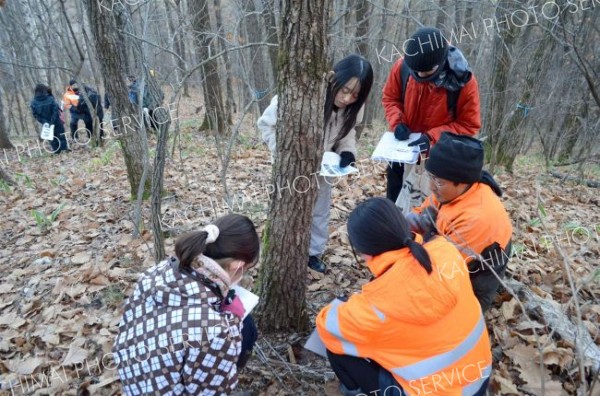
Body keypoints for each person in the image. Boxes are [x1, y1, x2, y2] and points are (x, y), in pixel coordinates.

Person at [316, 197, 492, 396]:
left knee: (338, 349)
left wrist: (348, 304)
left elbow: (326, 327)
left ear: (364, 252)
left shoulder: (376, 310)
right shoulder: (446, 251)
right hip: (479, 379)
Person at [113, 214, 260, 395]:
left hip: (134, 381)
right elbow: (206, 393)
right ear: (237, 266)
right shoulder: (217, 330)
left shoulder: (158, 271)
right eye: (245, 271)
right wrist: (233, 321)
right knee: (247, 327)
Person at [257, 54, 374, 273]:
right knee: (289, 211)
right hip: (292, 169)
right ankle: (283, 253)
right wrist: (282, 154)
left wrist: (347, 152)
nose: (348, 98)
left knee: (319, 212)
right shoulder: (304, 93)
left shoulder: (355, 107)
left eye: (355, 95)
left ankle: (313, 254)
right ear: (335, 79)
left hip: (324, 167)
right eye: (345, 90)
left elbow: (347, 135)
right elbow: (266, 125)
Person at [407, 132, 513, 312]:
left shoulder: (477, 218)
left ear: (462, 182)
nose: (431, 186)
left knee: (453, 311)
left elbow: (443, 270)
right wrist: (408, 225)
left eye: (438, 181)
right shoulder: (447, 190)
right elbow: (424, 210)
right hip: (447, 242)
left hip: (478, 270)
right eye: (430, 176)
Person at [382, 26, 481, 203]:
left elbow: (469, 125)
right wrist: (397, 123)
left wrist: (431, 138)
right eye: (416, 72)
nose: (420, 75)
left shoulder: (463, 82)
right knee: (394, 200)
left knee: (423, 208)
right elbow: (390, 97)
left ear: (441, 62)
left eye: (426, 73)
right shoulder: (403, 66)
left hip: (436, 158)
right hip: (401, 151)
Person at [30, 84, 69, 154]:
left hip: (46, 124)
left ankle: (57, 151)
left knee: (51, 138)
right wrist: (52, 121)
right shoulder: (50, 98)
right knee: (61, 135)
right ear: (44, 90)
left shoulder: (33, 102)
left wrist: (45, 122)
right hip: (56, 121)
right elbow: (55, 111)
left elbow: (35, 115)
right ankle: (64, 149)